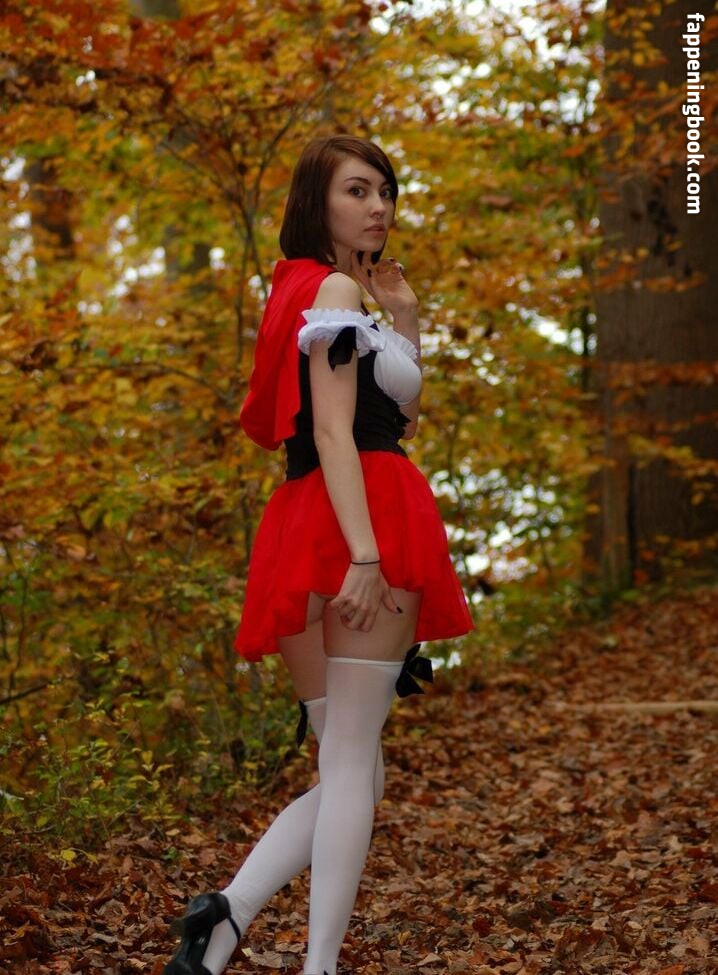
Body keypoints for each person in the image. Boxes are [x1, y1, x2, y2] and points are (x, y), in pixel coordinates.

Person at [163, 135, 473, 975]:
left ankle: (225, 915)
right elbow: (339, 430)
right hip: (363, 518)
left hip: (304, 520)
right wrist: (365, 557)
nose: (379, 206)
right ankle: (319, 966)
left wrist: (403, 317)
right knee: (349, 765)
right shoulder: (332, 290)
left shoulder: (303, 289)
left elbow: (397, 416)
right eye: (358, 190)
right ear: (317, 201)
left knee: (353, 772)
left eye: (386, 192)